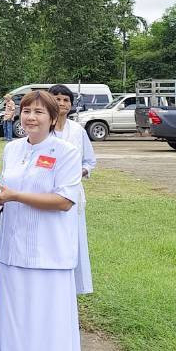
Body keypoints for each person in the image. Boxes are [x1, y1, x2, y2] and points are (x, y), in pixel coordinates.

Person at [0, 89, 84, 351]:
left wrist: (15, 196)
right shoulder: (13, 149)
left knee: (49, 320)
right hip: (14, 248)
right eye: (26, 111)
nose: (31, 117)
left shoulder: (66, 152)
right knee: (18, 318)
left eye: (39, 112)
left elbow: (64, 201)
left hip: (50, 251)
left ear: (53, 117)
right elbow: (2, 188)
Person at [47, 85, 96, 295]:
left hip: (72, 193)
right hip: (45, 193)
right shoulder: (43, 129)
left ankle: (72, 287)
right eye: (57, 99)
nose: (61, 103)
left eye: (66, 100)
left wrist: (78, 172)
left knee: (72, 238)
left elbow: (89, 161)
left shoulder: (77, 131)